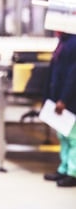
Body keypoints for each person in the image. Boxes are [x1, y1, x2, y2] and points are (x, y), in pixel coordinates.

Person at [42, 31, 76, 187]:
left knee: (73, 138)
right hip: (60, 97)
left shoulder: (73, 43)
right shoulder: (63, 42)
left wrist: (64, 99)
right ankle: (64, 168)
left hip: (70, 100)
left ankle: (73, 173)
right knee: (63, 135)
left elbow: (73, 75)